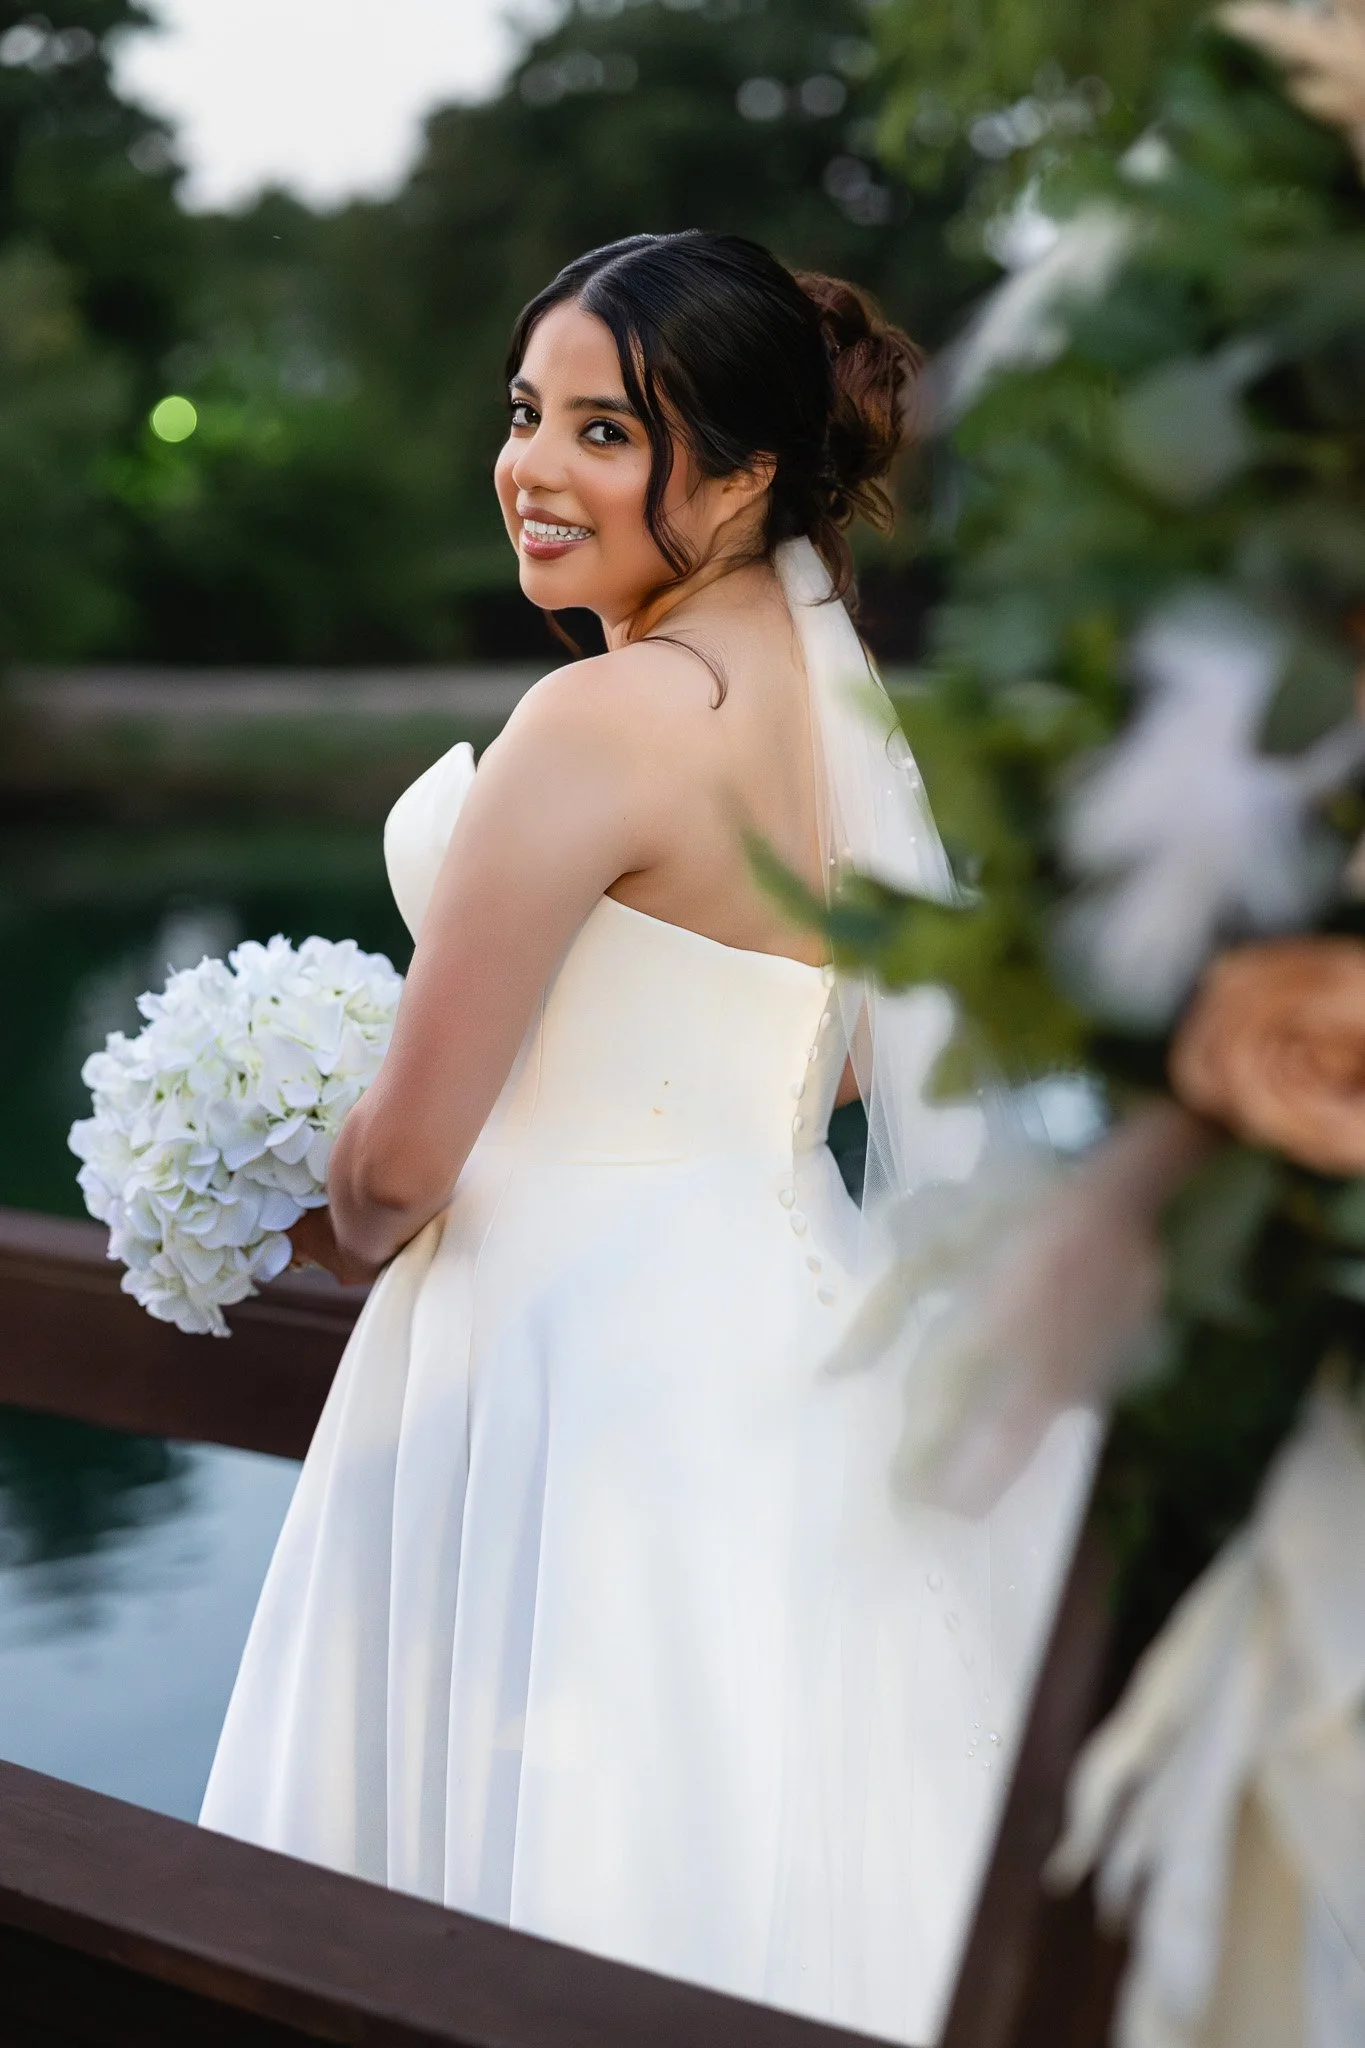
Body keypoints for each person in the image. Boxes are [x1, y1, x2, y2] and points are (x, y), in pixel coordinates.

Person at [199, 232, 1092, 2045]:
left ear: (745, 470)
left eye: (608, 432)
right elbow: (833, 1071)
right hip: (781, 1329)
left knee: (529, 1875)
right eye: (526, 415)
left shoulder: (601, 717)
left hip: (558, 1355)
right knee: (763, 1835)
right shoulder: (826, 712)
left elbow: (397, 1175)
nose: (534, 468)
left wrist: (285, 1169)